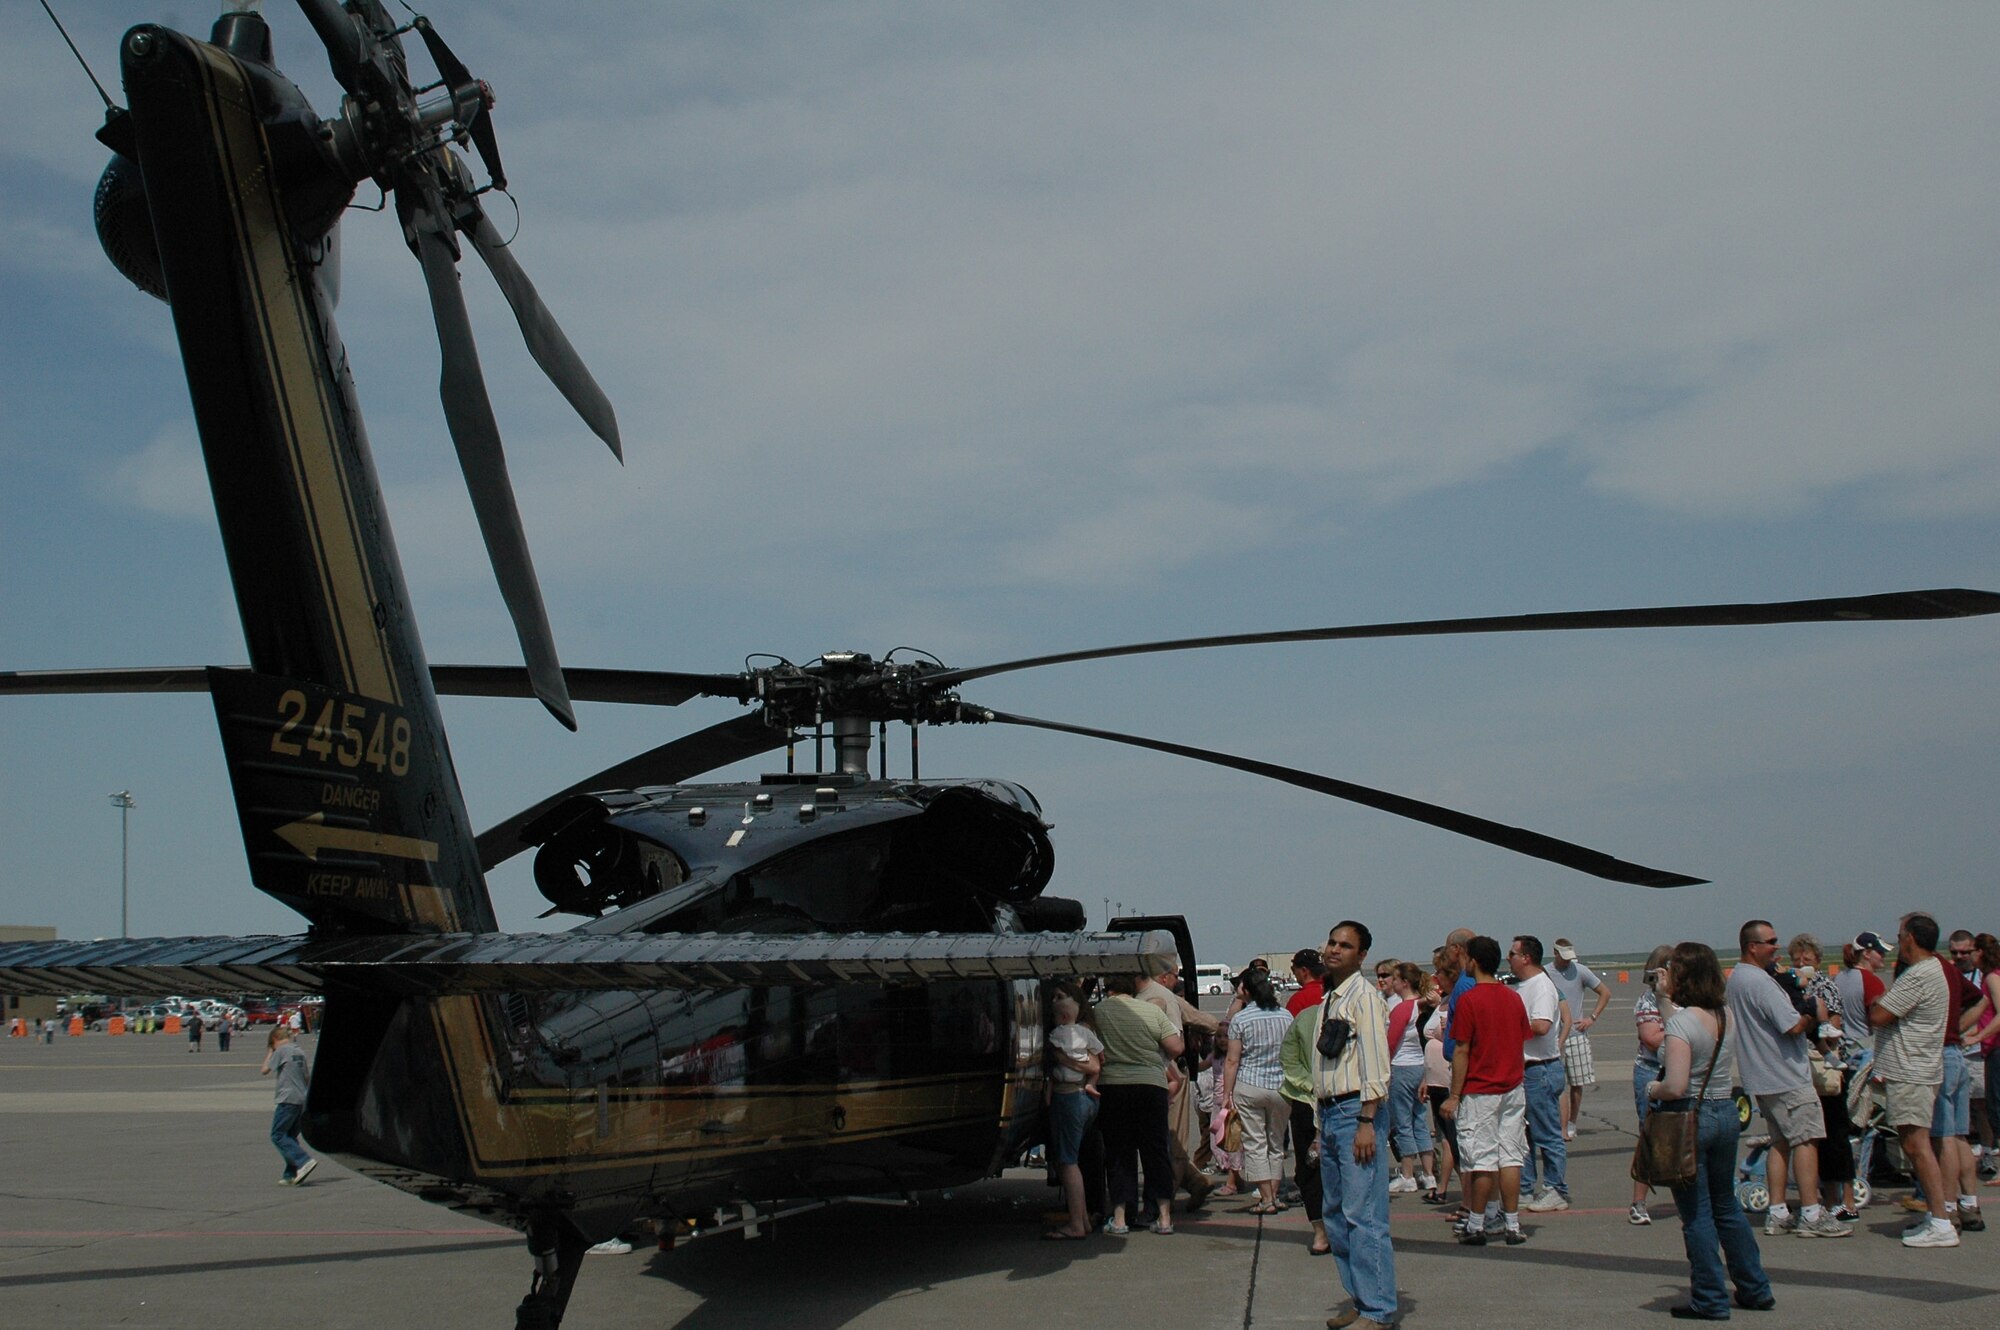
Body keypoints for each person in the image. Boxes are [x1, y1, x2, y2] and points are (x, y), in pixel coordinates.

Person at [1645, 942, 1775, 1320]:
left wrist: (1652, 1088)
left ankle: (1710, 1297)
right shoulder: (1724, 1014)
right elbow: (1682, 1025)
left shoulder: (1685, 1024)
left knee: (1697, 1214)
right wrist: (1664, 999)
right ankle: (1754, 1287)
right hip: (1724, 1112)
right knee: (1726, 1205)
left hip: (1690, 1117)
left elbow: (1676, 1085)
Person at [1726, 919, 1849, 1238]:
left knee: (1779, 1143)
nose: (1777, 947)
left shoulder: (1738, 978)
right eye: (1771, 942)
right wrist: (1813, 1014)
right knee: (1806, 1141)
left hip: (1761, 1075)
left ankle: (1778, 1211)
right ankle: (1811, 1212)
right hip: (1786, 1075)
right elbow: (1792, 1025)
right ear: (1753, 947)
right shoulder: (1760, 982)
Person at [1314, 921, 1395, 1330]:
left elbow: (1377, 1067)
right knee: (1336, 1215)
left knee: (1364, 1215)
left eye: (1345, 946)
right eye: (1331, 942)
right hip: (1329, 1114)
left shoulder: (1364, 998)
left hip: (1355, 1113)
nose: (1334, 950)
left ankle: (1378, 1310)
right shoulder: (1331, 996)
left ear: (1361, 956)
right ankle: (1362, 1298)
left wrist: (1367, 1121)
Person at [1868, 913, 1957, 1247]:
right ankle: (1938, 1216)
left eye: (1900, 934)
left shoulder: (1919, 974)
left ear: (1911, 938)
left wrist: (1878, 1002)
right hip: (1918, 1068)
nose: (1898, 940)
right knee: (1916, 1143)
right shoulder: (1932, 969)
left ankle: (1941, 1221)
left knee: (1916, 1145)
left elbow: (1878, 1015)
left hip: (1911, 1070)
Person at [1442, 934, 1530, 1247]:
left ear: (1473, 961)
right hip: (1512, 1087)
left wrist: (1454, 1094)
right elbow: (1522, 1038)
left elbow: (1462, 1049)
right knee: (1510, 1156)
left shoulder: (1469, 999)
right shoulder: (1512, 997)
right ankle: (1512, 1223)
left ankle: (1477, 1223)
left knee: (1481, 1159)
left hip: (1481, 1090)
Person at [1093, 972, 1184, 1235]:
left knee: (1119, 1152)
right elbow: (1176, 1047)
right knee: (1155, 1151)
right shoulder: (1150, 1011)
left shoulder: (1099, 1012)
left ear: (1109, 990)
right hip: (1151, 1085)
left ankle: (1121, 1217)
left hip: (1113, 1086)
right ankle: (1164, 1216)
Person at [1138, 958, 1220, 1211]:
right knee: (1169, 1138)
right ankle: (1190, 1184)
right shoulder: (1165, 996)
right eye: (1175, 975)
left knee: (1168, 1139)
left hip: (1157, 1074)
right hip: (1168, 1072)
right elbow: (1209, 1022)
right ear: (1164, 977)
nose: (1177, 981)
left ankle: (1164, 1200)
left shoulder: (1146, 996)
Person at [1788, 933, 1858, 1220]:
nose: (1802, 963)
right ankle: (1825, 1199)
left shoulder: (1825, 986)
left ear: (1818, 960)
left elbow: (1835, 1025)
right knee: (1813, 1135)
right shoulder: (1792, 986)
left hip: (1825, 1065)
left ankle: (1846, 1200)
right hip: (1802, 1066)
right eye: (1797, 959)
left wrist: (1812, 1024)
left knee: (1836, 1136)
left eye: (1807, 959)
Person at [1223, 971, 1293, 1215]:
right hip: (1281, 1085)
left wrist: (1226, 1094)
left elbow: (1232, 1060)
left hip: (1250, 1084)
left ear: (1247, 992)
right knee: (1276, 1143)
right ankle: (1273, 1194)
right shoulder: (1286, 1015)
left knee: (1255, 1143)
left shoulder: (1241, 1019)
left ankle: (1265, 1198)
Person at [1510, 935, 1571, 1213]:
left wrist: (1507, 1028)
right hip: (1524, 1070)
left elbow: (1542, 1025)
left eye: (1513, 954)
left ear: (1526, 957)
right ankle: (1525, 1188)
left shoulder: (1542, 987)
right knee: (1524, 1134)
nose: (1509, 958)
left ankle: (1555, 1188)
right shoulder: (1522, 986)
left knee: (1547, 1134)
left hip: (1540, 1069)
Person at [1044, 983, 1103, 1240]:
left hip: (1069, 1098)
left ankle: (1076, 1223)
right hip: (1085, 1097)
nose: (1055, 1002)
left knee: (1068, 1162)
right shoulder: (1086, 1032)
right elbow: (1098, 1062)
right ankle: (1083, 1220)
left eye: (1060, 997)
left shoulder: (1059, 1035)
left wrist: (1064, 1060)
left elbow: (1091, 1064)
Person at [1281, 971, 1331, 1256]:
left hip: (1306, 1099)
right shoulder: (1310, 1017)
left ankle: (1320, 1232)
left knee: (1310, 1169)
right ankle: (1328, 1230)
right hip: (1331, 1100)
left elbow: (1288, 1060)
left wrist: (1307, 1086)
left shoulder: (1304, 1016)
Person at [1384, 961, 1437, 1198]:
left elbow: (1391, 1042)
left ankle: (1407, 1174)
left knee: (1402, 1122)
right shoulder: (1423, 1006)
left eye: (1395, 979)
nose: (1391, 983)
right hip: (1420, 1066)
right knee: (1419, 1120)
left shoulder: (1402, 1009)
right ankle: (1428, 1172)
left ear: (1404, 982)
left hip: (1401, 1066)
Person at [1548, 938, 1609, 1142]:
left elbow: (1604, 993)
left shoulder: (1580, 971)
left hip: (1576, 1034)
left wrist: (1591, 1018)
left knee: (1577, 1082)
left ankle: (1572, 1122)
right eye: (1563, 958)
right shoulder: (1546, 972)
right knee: (1556, 1084)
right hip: (1553, 1035)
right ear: (1555, 953)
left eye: (1569, 958)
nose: (1567, 962)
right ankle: (1558, 1122)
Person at [1631, 942, 1675, 1225]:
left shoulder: (1684, 1000)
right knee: (1650, 1136)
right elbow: (1652, 1038)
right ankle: (1638, 1202)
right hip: (1652, 1070)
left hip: (1681, 1070)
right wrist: (1684, 1033)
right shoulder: (1648, 1001)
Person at [260, 1025, 318, 1185]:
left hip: (287, 1099)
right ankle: (290, 1174)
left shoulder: (281, 1050)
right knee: (290, 1136)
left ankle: (304, 1160)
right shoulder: (299, 1051)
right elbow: (307, 1077)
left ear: (274, 1040)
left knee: (277, 1135)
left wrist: (270, 1051)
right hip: (301, 1099)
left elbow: (264, 1070)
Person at [1417, 973, 1456, 1206]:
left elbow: (1452, 1039)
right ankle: (1441, 1187)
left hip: (1449, 1078)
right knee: (1444, 1136)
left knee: (1452, 1137)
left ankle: (1450, 1190)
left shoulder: (1453, 1002)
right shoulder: (1441, 1003)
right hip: (1434, 1079)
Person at [1288, 948, 1327, 1017]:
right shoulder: (1333, 992)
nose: (1294, 973)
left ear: (1304, 971)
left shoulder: (1298, 1000)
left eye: (1293, 969)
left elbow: (1290, 1026)